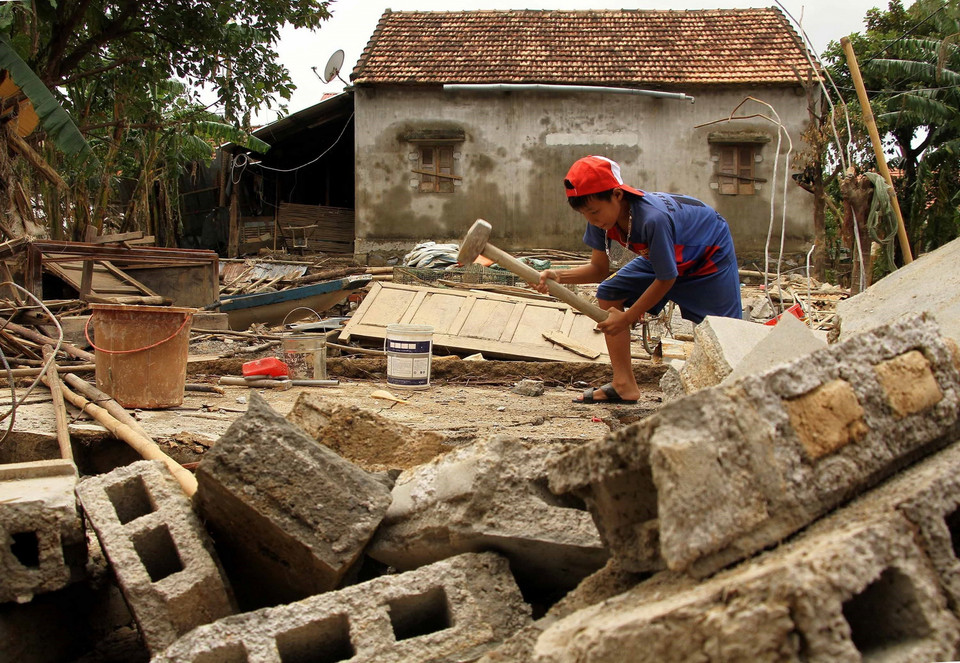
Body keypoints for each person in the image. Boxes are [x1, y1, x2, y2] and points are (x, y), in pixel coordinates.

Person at [535, 155, 742, 404]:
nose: (592, 220)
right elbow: (599, 268)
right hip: (664, 255)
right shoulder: (602, 220)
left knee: (725, 333)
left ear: (617, 195)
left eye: (594, 211)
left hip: (708, 253)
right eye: (585, 214)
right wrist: (558, 275)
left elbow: (666, 278)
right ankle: (624, 384)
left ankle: (733, 399)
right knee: (609, 292)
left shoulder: (653, 219)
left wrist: (627, 317)